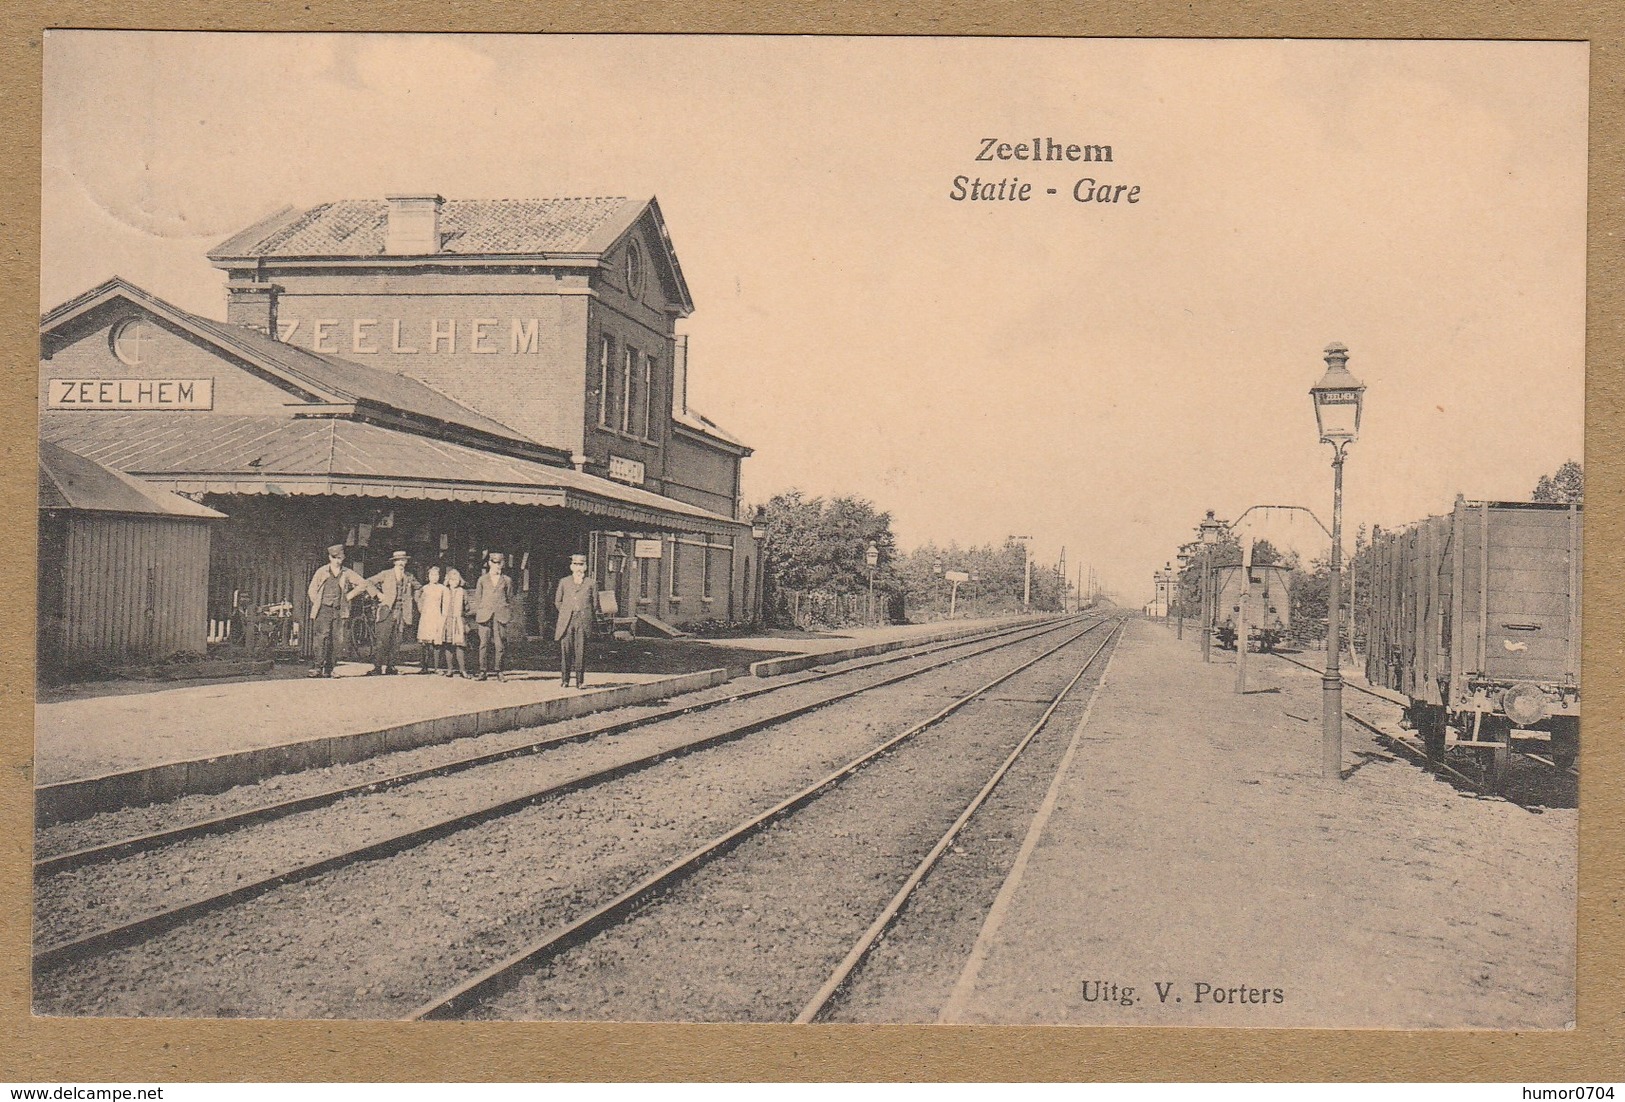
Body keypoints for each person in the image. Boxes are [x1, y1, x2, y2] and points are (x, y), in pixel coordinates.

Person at [305, 543, 370, 677]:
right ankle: (317, 667)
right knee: (321, 638)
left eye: (340, 558)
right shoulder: (322, 571)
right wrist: (318, 602)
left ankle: (331, 668)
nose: (338, 560)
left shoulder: (346, 572)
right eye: (335, 558)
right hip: (323, 609)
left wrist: (349, 596)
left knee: (337, 639)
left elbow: (363, 584)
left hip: (339, 610)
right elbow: (312, 589)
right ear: (330, 558)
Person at [365, 550, 421, 675]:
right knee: (382, 640)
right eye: (399, 560)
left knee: (397, 640)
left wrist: (415, 599)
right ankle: (377, 667)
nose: (401, 563)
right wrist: (378, 594)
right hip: (386, 611)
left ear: (406, 562)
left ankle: (391, 666)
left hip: (402, 612)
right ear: (394, 562)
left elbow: (419, 588)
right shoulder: (385, 574)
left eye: (404, 560)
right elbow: (368, 582)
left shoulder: (409, 576)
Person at [554, 552, 598, 688]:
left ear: (585, 567)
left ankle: (580, 681)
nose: (578, 568)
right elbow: (558, 601)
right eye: (575, 564)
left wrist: (584, 613)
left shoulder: (591, 583)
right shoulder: (564, 582)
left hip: (583, 620)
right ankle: (565, 680)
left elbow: (595, 604)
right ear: (571, 566)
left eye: (581, 565)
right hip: (567, 620)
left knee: (581, 651)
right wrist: (567, 611)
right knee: (566, 651)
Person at [471, 551, 515, 681]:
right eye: (494, 562)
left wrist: (506, 613)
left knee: (500, 644)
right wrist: (481, 611)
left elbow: (509, 598)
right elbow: (478, 598)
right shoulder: (482, 579)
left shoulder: (507, 580)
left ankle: (499, 670)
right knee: (483, 644)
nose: (497, 565)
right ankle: (483, 671)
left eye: (499, 563)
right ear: (490, 563)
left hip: (500, 615)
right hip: (485, 615)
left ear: (503, 564)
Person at [416, 565, 448, 674]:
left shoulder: (442, 589)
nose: (434, 577)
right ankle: (424, 667)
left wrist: (443, 617)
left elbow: (445, 604)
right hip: (426, 617)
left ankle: (437, 667)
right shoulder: (424, 588)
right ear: (428, 576)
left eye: (436, 575)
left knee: (436, 643)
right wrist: (423, 611)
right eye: (432, 575)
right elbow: (419, 601)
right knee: (425, 643)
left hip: (437, 616)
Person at [442, 568, 471, 678]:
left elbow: (467, 607)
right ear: (448, 581)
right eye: (451, 580)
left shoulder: (462, 591)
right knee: (448, 645)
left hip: (459, 620)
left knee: (460, 645)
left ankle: (462, 670)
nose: (453, 582)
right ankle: (449, 669)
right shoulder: (444, 591)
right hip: (447, 620)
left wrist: (463, 618)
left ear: (459, 580)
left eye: (455, 580)